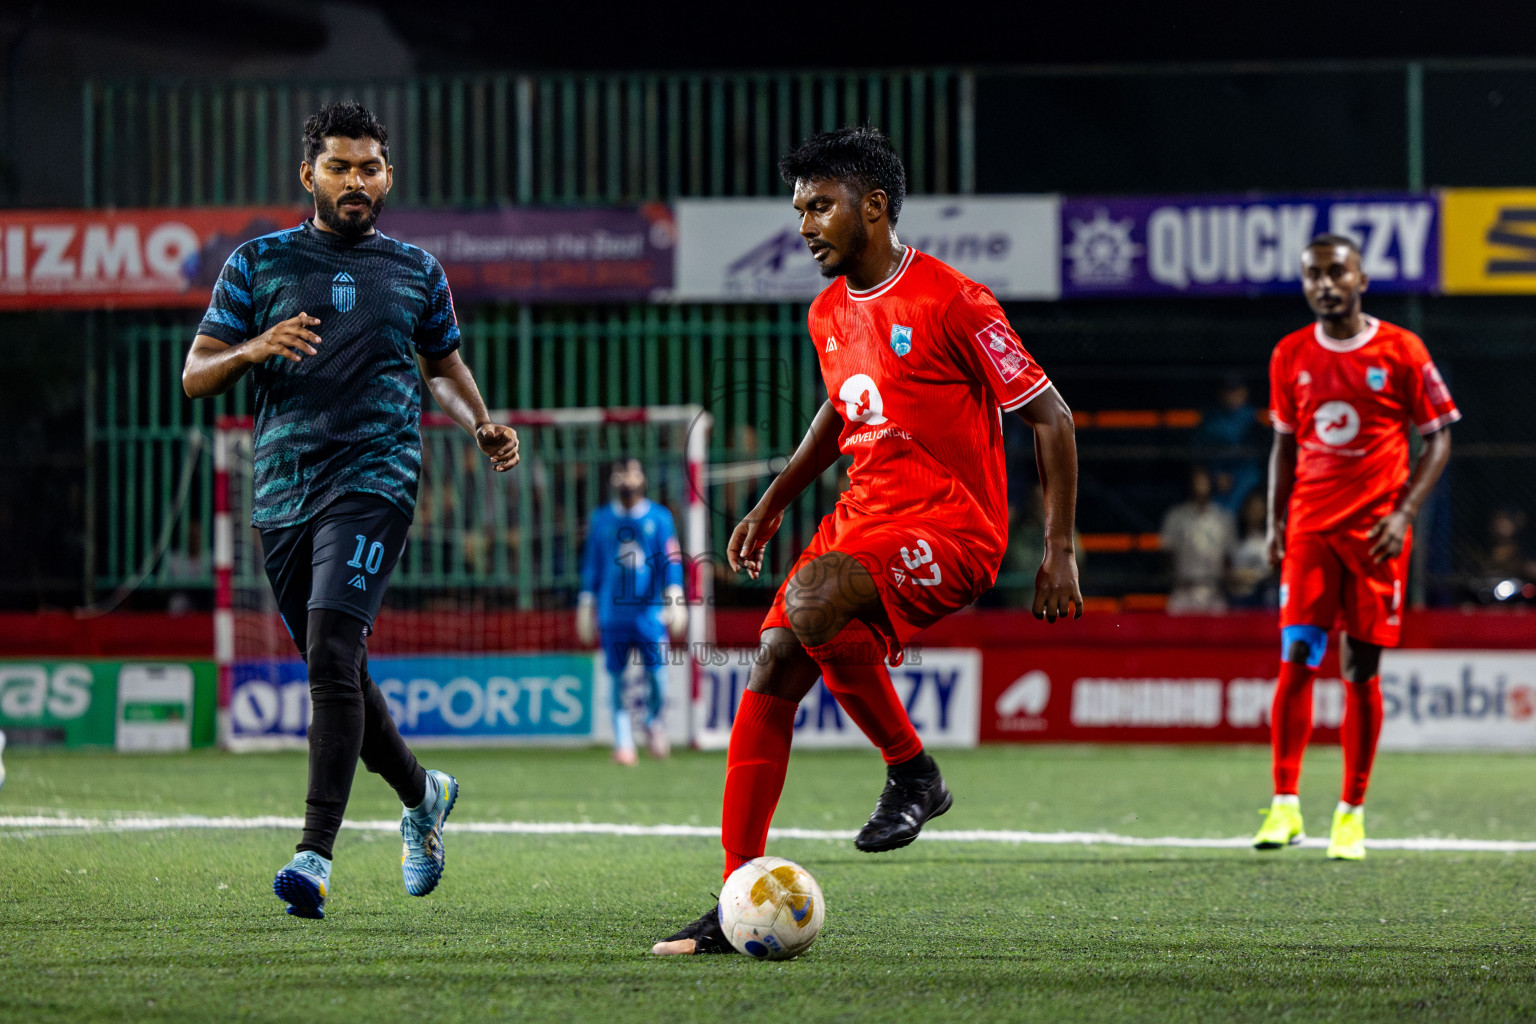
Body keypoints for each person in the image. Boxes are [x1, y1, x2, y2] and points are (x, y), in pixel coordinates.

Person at [652, 126, 1081, 955]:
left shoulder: (955, 301)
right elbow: (842, 409)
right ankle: (736, 894)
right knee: (776, 654)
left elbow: (1052, 417)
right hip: (864, 517)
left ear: (874, 206)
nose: (804, 226)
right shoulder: (826, 312)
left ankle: (911, 767)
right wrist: (774, 499)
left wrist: (1058, 549)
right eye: (799, 210)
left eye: (820, 206)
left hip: (952, 525)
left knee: (812, 602)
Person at [182, 101, 520, 918]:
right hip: (283, 491)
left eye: (369, 167)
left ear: (388, 176)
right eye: (339, 167)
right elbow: (196, 374)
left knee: (334, 647)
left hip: (376, 480)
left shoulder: (415, 270)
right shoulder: (258, 263)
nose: (355, 180)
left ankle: (314, 855)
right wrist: (255, 347)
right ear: (310, 174)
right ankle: (423, 794)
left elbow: (442, 366)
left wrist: (478, 420)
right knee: (336, 668)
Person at [1254, 233, 1457, 861]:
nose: (1325, 284)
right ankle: (1285, 805)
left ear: (1361, 279)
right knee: (1296, 657)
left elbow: (1439, 436)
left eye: (1336, 272)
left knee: (1360, 669)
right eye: (1313, 275)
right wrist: (1274, 523)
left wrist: (1404, 513)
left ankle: (1351, 812)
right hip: (1311, 529)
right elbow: (1283, 444)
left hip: (1375, 535)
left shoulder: (1401, 349)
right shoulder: (1289, 353)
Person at [576, 457, 687, 765]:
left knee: (658, 678)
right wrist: (586, 600)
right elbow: (593, 563)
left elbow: (670, 559)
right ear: (613, 480)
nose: (627, 479)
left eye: (632, 473)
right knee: (616, 679)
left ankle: (653, 722)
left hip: (649, 613)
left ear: (642, 478)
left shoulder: (659, 517)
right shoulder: (601, 519)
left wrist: (675, 593)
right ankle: (623, 742)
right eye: (621, 474)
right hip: (612, 614)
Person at [1161, 465, 1236, 613]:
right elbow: (1167, 553)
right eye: (1197, 481)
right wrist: (1173, 580)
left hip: (1214, 592)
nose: (1200, 485)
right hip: (1183, 590)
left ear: (1211, 483)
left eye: (1204, 480)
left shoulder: (1224, 518)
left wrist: (1225, 582)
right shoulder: (1175, 516)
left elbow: (1229, 556)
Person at [1227, 489, 1276, 608]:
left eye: (1259, 509)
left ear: (1265, 512)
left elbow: (1272, 572)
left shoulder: (1271, 541)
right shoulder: (1235, 541)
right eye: (1252, 509)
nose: (1256, 513)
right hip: (1237, 599)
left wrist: (1252, 576)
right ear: (1245, 510)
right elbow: (1227, 571)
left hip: (1263, 600)